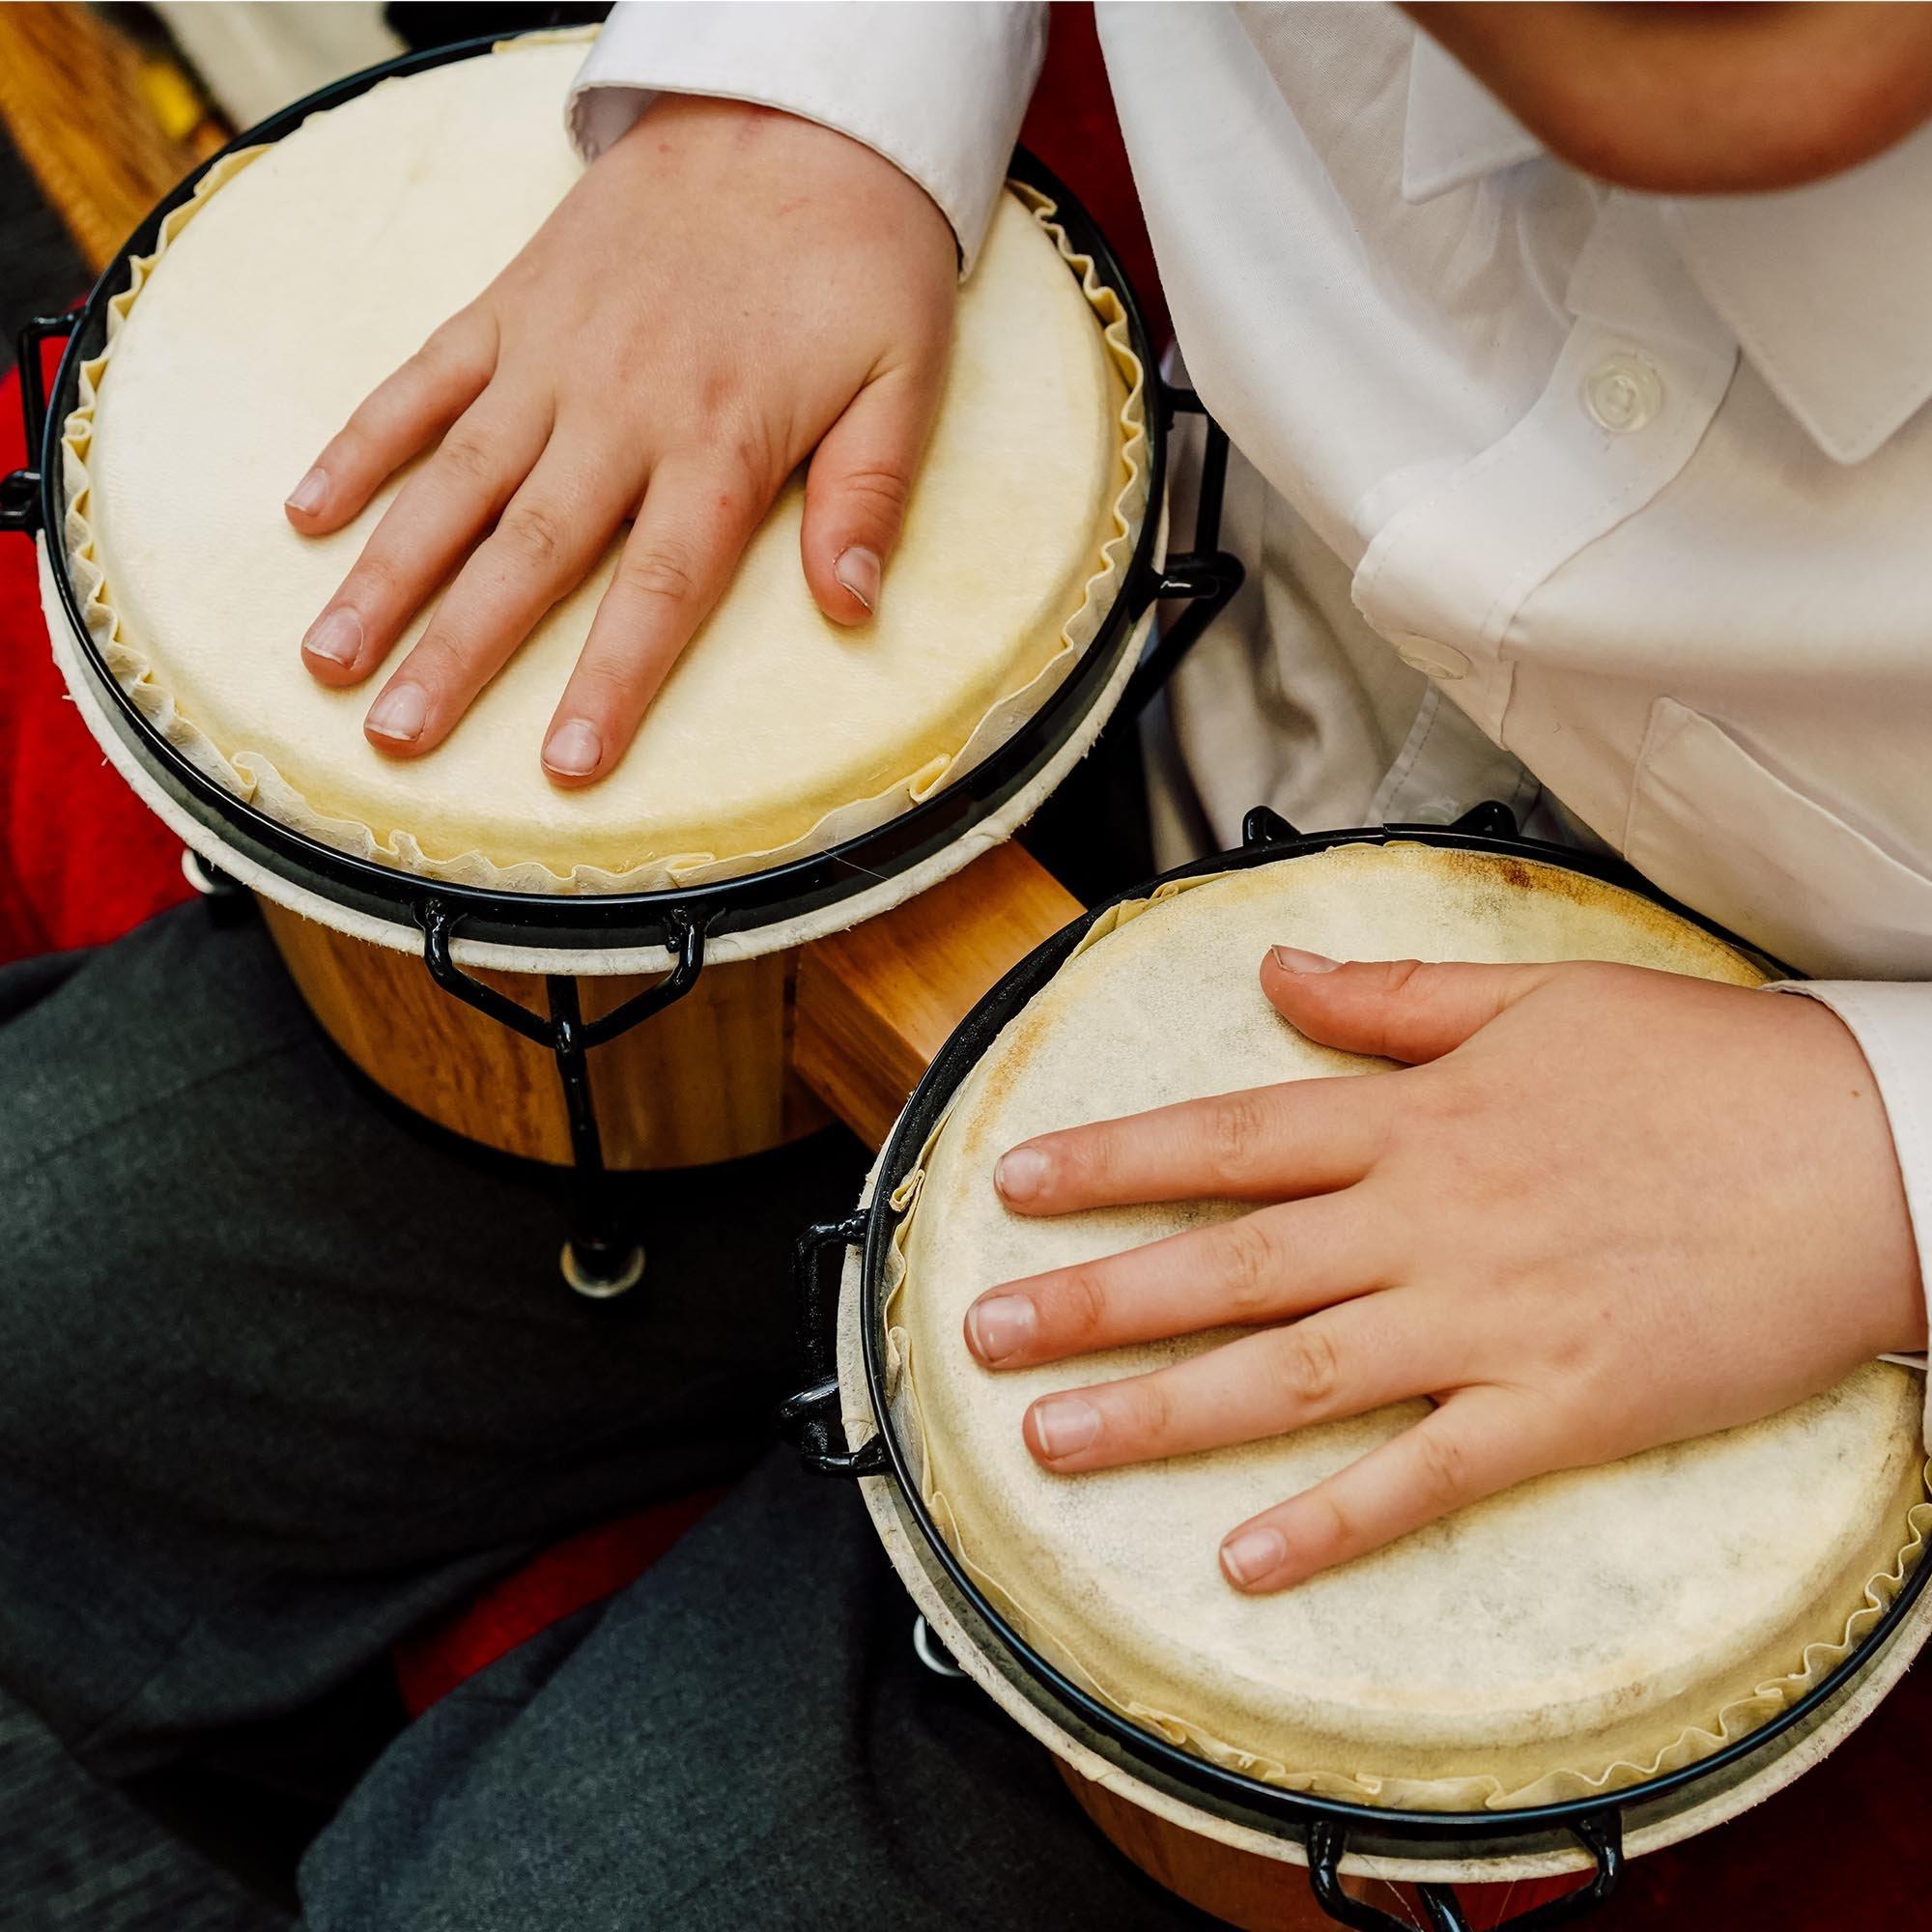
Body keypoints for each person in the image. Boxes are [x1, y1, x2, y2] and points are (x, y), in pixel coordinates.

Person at [3, 3, 1929, 1926]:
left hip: (1785, 1223)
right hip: (1144, 726)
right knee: (44, 1318)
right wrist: (808, 88)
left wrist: (1887, 1158)